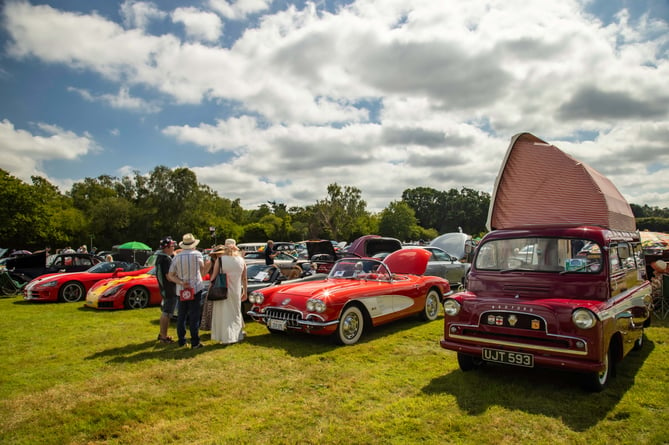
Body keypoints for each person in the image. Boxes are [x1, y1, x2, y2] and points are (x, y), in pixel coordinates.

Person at [168, 233, 209, 349]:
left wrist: (181, 282)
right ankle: (195, 342)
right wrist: (207, 266)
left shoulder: (177, 257)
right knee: (194, 315)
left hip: (181, 289)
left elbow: (171, 275)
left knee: (181, 315)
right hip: (195, 287)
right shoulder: (197, 255)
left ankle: (181, 340)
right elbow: (202, 271)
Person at [210, 238, 248, 345]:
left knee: (224, 313)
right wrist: (244, 291)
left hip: (223, 289)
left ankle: (225, 336)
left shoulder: (221, 260)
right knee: (235, 313)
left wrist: (210, 286)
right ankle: (237, 335)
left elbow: (213, 277)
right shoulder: (241, 260)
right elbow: (244, 278)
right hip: (236, 289)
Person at [155, 237, 177, 343]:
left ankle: (163, 334)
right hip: (169, 289)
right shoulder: (165, 260)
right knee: (167, 313)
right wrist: (180, 280)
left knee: (166, 312)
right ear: (167, 247)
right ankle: (163, 337)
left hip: (165, 288)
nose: (173, 247)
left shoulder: (161, 257)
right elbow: (169, 276)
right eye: (172, 246)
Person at [200, 245, 224, 331]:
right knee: (211, 308)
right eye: (218, 254)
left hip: (223, 286)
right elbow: (203, 274)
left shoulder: (225, 261)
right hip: (214, 286)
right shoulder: (211, 262)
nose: (220, 255)